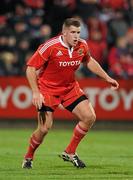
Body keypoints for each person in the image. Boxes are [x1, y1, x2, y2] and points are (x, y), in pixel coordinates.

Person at [22, 18, 119, 169]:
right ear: (64, 33)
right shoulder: (50, 46)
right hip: (48, 90)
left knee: (89, 117)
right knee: (44, 128)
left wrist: (107, 78)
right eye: (73, 32)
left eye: (78, 32)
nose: (76, 36)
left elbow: (89, 61)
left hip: (69, 88)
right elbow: (30, 68)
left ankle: (70, 152)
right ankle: (28, 157)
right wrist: (35, 92)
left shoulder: (82, 45)